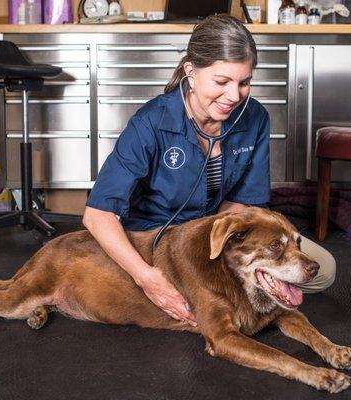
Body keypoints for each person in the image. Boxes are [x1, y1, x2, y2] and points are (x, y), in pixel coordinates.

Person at [83, 14, 335, 327]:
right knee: (192, 294)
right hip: (156, 237)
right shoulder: (150, 122)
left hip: (216, 233)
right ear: (191, 72)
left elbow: (247, 201)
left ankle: (225, 293)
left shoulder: (254, 117)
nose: (234, 96)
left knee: (324, 269)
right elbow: (97, 215)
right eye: (222, 82)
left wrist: (219, 240)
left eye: (244, 83)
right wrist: (147, 278)